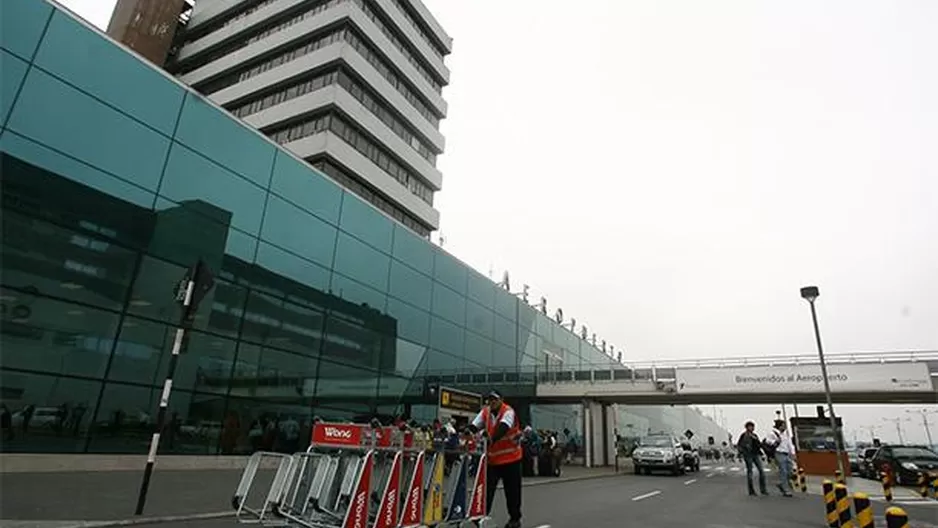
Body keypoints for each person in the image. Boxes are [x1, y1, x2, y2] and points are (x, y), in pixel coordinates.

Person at [467, 391, 523, 528]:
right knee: (486, 490)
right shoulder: (485, 412)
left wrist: (491, 438)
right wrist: (468, 432)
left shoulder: (508, 411)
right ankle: (481, 516)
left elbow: (503, 427)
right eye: (489, 400)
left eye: (494, 400)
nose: (491, 402)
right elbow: (475, 425)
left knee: (512, 492)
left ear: (501, 400)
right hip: (493, 460)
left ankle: (514, 519)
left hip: (511, 459)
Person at [736, 421, 768, 496]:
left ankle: (763, 489)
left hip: (756, 454)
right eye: (750, 426)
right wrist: (741, 453)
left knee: (762, 471)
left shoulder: (755, 435)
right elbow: (739, 445)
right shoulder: (744, 435)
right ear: (747, 427)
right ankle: (751, 490)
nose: (752, 428)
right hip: (748, 455)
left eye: (753, 426)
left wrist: (762, 453)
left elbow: (758, 445)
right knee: (750, 472)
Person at [765, 419, 795, 497]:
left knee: (791, 471)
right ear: (780, 426)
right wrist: (775, 442)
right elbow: (768, 441)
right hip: (778, 453)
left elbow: (789, 443)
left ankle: (782, 484)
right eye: (783, 425)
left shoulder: (785, 434)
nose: (785, 427)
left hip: (786, 454)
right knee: (783, 471)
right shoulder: (773, 433)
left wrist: (792, 453)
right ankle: (786, 490)